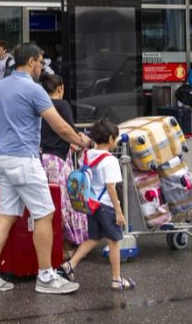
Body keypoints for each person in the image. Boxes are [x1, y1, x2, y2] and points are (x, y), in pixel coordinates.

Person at [0, 42, 92, 295]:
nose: (42, 66)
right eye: (40, 61)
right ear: (30, 62)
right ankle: (47, 276)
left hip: (3, 158)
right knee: (45, 214)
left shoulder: (0, 87)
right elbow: (61, 127)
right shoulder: (35, 90)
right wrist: (82, 141)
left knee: (6, 215)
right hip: (25, 160)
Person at [55, 118, 135, 291]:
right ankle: (116, 279)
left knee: (93, 238)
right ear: (112, 139)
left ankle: (70, 265)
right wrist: (119, 211)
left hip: (91, 204)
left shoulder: (87, 154)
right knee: (114, 241)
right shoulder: (111, 160)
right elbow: (111, 187)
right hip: (107, 205)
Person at [38, 73, 88, 252]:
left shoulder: (39, 106)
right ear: (60, 88)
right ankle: (66, 244)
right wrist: (83, 141)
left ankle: (47, 245)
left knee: (44, 204)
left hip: (40, 160)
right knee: (65, 202)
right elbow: (69, 130)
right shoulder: (61, 105)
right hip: (57, 162)